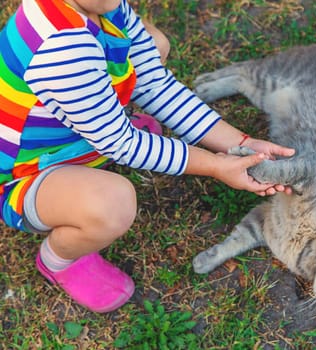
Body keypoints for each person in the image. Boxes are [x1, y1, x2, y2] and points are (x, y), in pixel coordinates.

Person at [0, 0, 295, 313]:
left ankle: (103, 121)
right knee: (111, 203)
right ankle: (59, 260)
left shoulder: (101, 5)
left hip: (74, 136)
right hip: (24, 175)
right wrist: (215, 165)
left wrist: (239, 142)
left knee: (155, 44)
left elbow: (154, 83)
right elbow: (122, 144)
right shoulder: (61, 50)